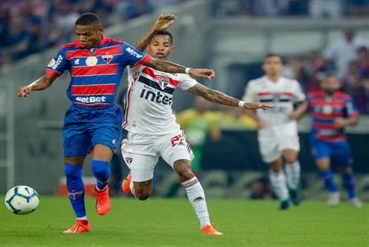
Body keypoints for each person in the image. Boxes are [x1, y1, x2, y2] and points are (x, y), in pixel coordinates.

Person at [16, 13, 214, 234]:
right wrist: (30, 87)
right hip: (76, 117)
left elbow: (153, 61)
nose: (81, 39)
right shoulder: (68, 52)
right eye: (78, 34)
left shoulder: (118, 49)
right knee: (72, 172)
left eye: (87, 34)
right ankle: (81, 221)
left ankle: (102, 188)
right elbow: (47, 78)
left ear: (100, 31)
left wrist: (188, 71)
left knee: (100, 168)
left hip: (105, 115)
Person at [120, 14, 272, 235]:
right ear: (149, 47)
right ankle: (134, 176)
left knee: (184, 170)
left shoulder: (178, 76)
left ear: (171, 50)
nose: (160, 48)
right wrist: (154, 29)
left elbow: (208, 93)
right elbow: (133, 52)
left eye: (165, 45)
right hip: (139, 135)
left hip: (167, 132)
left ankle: (206, 225)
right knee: (142, 195)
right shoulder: (137, 68)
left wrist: (242, 104)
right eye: (156, 44)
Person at [243, 53, 307, 210]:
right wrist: (257, 120)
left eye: (276, 62)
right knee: (276, 166)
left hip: (286, 126)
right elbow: (246, 105)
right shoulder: (255, 84)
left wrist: (297, 114)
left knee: (290, 157)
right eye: (269, 62)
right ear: (264, 66)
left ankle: (292, 187)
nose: (273, 65)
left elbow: (303, 102)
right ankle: (284, 197)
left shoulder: (292, 84)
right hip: (267, 128)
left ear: (281, 66)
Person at [302, 76, 362, 208]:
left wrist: (344, 122)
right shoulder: (312, 98)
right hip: (319, 138)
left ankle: (352, 196)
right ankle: (334, 192)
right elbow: (301, 110)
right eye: (327, 82)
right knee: (323, 164)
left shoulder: (345, 99)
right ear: (322, 84)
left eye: (333, 82)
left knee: (345, 169)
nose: (330, 85)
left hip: (338, 140)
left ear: (338, 85)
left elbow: (355, 119)